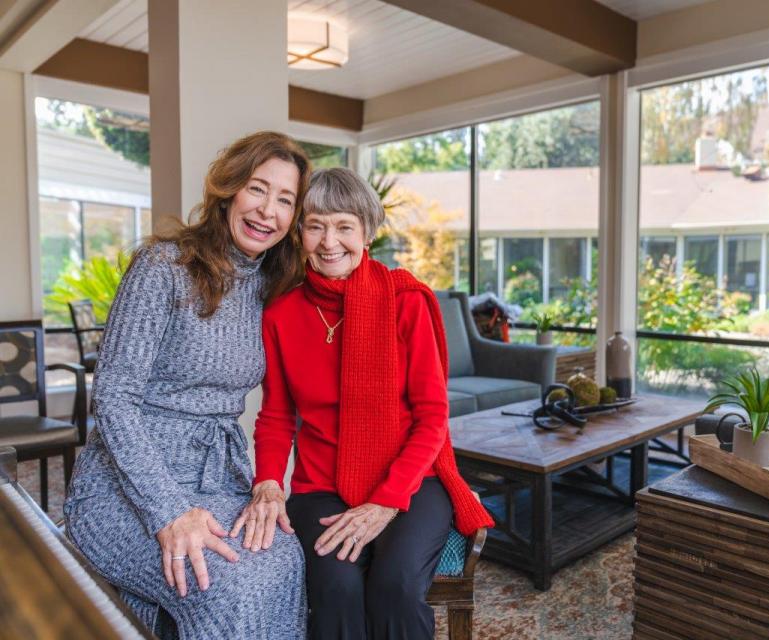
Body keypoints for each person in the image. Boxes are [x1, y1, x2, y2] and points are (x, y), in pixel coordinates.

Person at [63, 131, 311, 639]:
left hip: (219, 477)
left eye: (285, 199)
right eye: (257, 189)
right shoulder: (164, 267)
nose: (267, 210)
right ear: (229, 190)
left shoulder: (272, 286)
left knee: (284, 558)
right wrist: (169, 512)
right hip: (125, 488)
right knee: (227, 582)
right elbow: (113, 397)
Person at [246, 167, 493, 640]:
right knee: (335, 588)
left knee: (395, 585)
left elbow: (431, 417)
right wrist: (268, 484)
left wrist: (384, 500)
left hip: (412, 482)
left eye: (344, 226)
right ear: (299, 232)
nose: (329, 241)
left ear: (367, 232)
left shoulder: (406, 301)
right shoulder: (281, 315)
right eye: (315, 225)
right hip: (321, 484)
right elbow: (277, 416)